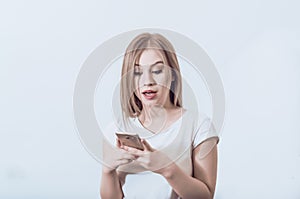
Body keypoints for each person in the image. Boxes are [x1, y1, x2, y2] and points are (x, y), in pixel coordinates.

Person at [100, 32, 219, 199]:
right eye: (137, 73)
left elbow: (206, 196)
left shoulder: (198, 125)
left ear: (172, 75)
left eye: (157, 70)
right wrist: (107, 170)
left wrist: (167, 168)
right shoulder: (116, 129)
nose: (148, 81)